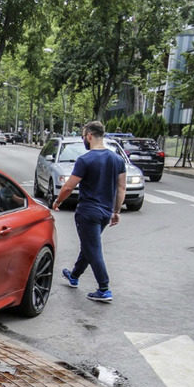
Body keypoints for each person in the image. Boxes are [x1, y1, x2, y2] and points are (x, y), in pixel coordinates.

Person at [54, 120, 126, 303]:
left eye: (83, 136)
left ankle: (104, 288)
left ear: (89, 136)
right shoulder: (117, 160)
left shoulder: (85, 159)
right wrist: (116, 211)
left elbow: (69, 186)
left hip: (88, 211)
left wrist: (58, 201)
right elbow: (121, 188)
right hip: (104, 212)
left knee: (93, 248)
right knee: (89, 245)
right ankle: (74, 275)